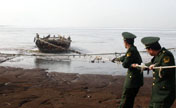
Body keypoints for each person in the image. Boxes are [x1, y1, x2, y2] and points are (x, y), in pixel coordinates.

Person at [140, 37, 175, 108]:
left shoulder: (166, 55)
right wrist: (139, 67)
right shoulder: (159, 55)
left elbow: (165, 70)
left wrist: (155, 66)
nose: (147, 51)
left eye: (146, 49)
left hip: (164, 94)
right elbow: (150, 64)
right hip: (157, 94)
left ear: (150, 49)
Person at [112, 32, 143, 108]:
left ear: (125, 42)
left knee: (125, 101)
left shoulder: (131, 50)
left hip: (132, 81)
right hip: (136, 80)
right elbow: (125, 57)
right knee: (129, 101)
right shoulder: (133, 48)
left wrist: (127, 63)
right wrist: (118, 59)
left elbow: (125, 64)